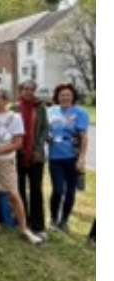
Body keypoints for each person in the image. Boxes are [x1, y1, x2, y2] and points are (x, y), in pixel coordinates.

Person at [0, 89, 42, 244]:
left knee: (13, 194)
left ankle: (24, 228)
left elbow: (18, 143)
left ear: (6, 100)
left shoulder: (14, 118)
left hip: (5, 161)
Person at [46, 83, 89, 234]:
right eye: (62, 95)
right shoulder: (50, 111)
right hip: (54, 157)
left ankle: (64, 220)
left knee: (70, 192)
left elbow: (84, 137)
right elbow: (45, 131)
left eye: (68, 95)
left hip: (72, 157)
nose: (65, 97)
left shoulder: (80, 113)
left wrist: (82, 158)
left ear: (73, 97)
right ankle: (53, 219)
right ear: (57, 96)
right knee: (57, 190)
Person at [13, 80, 49, 234]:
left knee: (36, 189)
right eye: (25, 89)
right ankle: (22, 220)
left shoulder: (40, 107)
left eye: (31, 89)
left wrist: (38, 147)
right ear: (20, 90)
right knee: (18, 189)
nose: (28, 92)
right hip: (17, 154)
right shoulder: (14, 108)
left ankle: (38, 225)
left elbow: (44, 129)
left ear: (34, 90)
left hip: (35, 155)